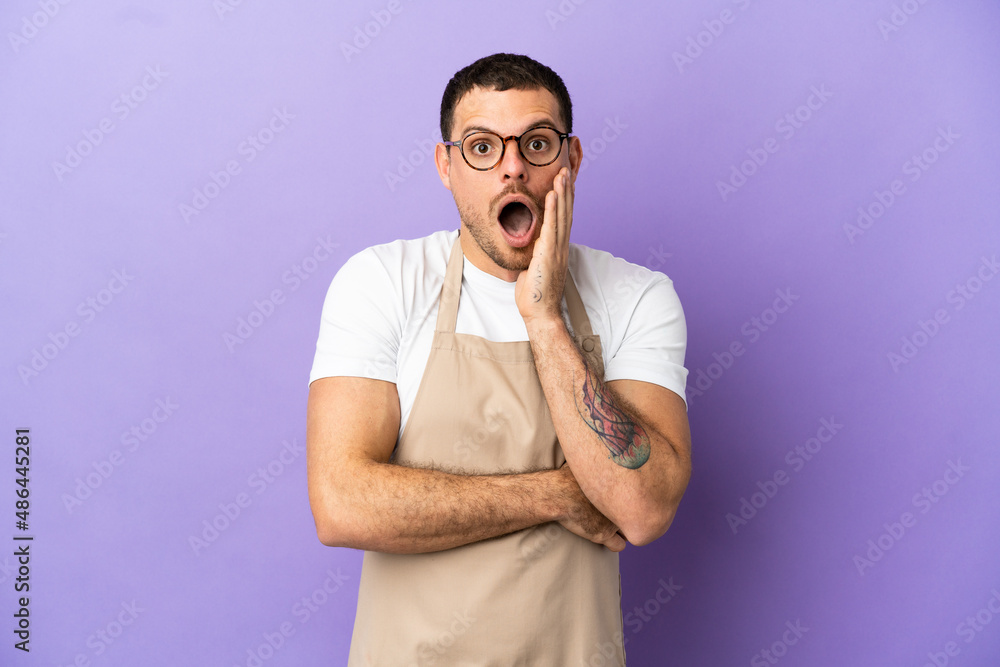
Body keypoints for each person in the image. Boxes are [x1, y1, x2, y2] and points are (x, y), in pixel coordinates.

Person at [306, 53, 691, 666]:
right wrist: (558, 494)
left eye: (537, 143)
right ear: (447, 166)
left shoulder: (637, 296)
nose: (513, 169)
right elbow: (341, 504)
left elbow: (643, 508)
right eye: (482, 147)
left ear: (571, 159)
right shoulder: (383, 282)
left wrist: (544, 317)